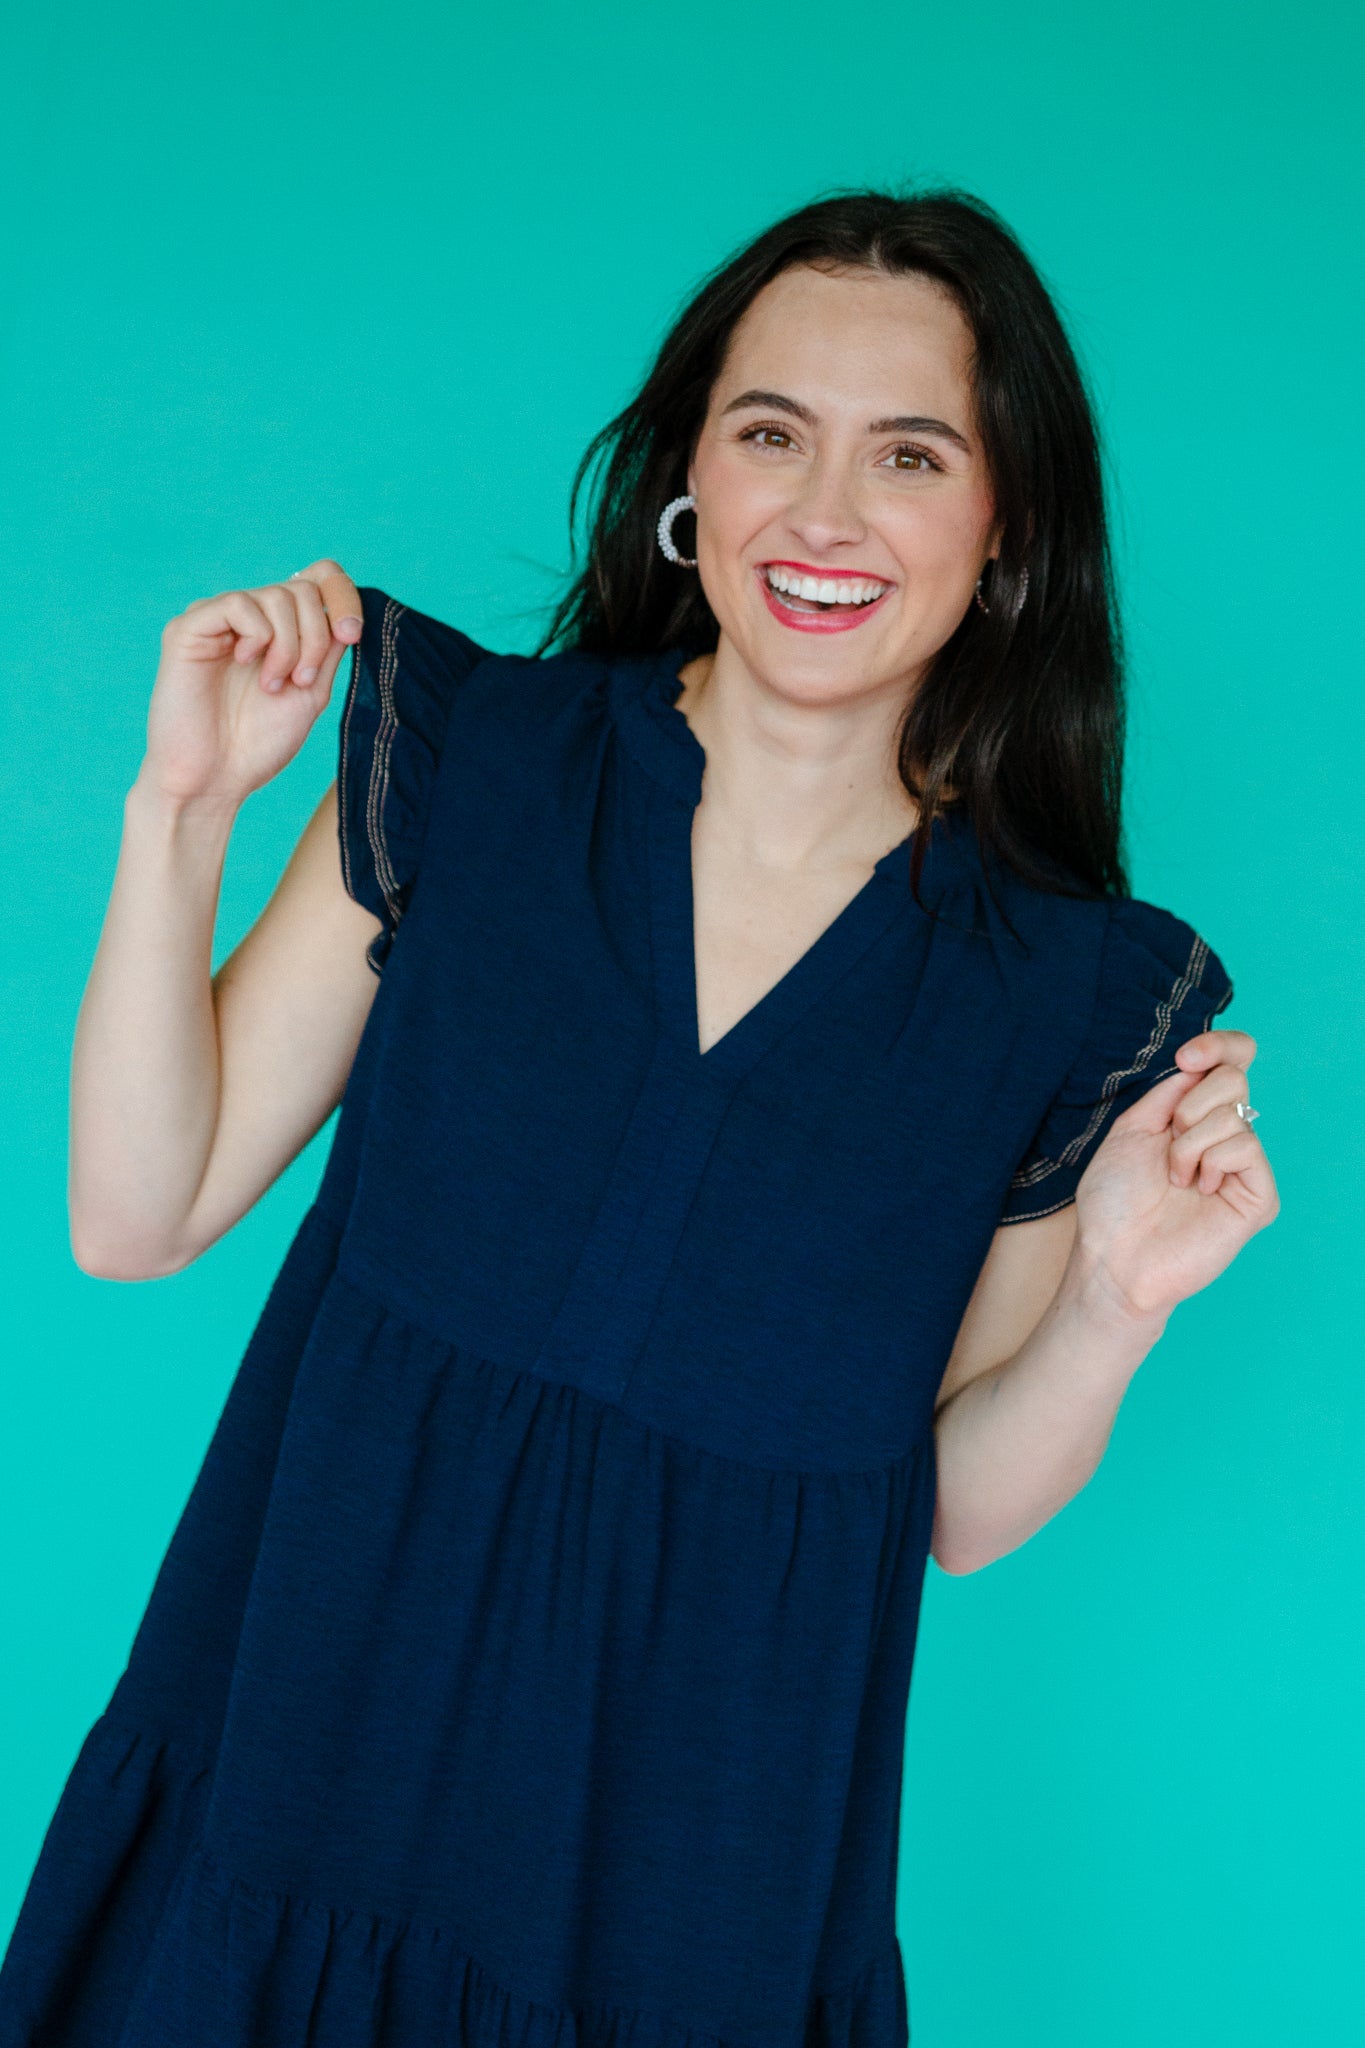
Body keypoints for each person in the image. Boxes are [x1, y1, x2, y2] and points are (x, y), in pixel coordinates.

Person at [0, 186, 1278, 2048]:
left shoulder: (1064, 993)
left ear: (1006, 529)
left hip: (690, 1876)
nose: (823, 514)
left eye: (909, 455)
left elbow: (956, 1510)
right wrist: (179, 811)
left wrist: (1115, 1303)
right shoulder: (469, 763)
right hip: (303, 1772)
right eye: (771, 434)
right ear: (692, 474)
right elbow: (137, 1214)